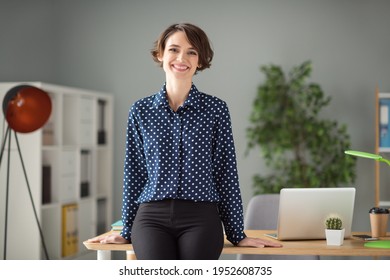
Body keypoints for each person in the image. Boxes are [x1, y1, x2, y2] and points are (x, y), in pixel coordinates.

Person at [89, 23, 282, 259]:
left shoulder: (216, 109)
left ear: (200, 60)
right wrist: (127, 229)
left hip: (201, 217)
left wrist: (236, 233)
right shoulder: (140, 110)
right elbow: (135, 173)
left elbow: (225, 172)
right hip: (151, 218)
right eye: (174, 49)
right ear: (160, 54)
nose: (182, 58)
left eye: (192, 51)